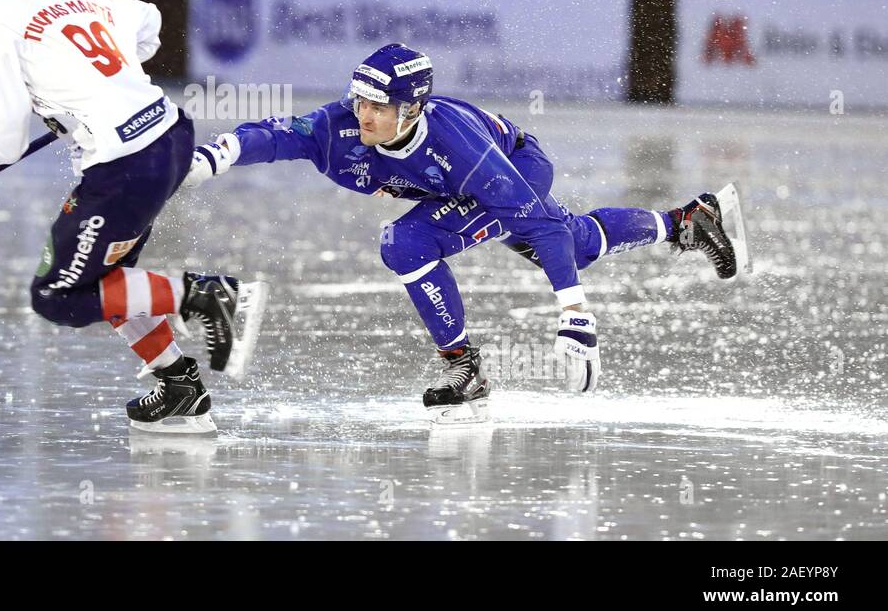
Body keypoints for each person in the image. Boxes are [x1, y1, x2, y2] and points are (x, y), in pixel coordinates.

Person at [184, 42, 746, 416]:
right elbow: (270, 134)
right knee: (579, 242)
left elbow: (541, 223)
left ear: (412, 109)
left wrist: (575, 315)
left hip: (513, 169)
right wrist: (212, 157)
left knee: (408, 242)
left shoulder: (461, 149)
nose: (364, 116)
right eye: (360, 101)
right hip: (450, 188)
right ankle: (686, 222)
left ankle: (463, 368)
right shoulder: (338, 129)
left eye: (378, 106)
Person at [0, 0, 265, 433]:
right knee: (112, 281)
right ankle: (180, 385)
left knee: (57, 298)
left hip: (125, 167)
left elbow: (6, 136)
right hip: (170, 137)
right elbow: (149, 22)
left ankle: (208, 296)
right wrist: (96, 85)